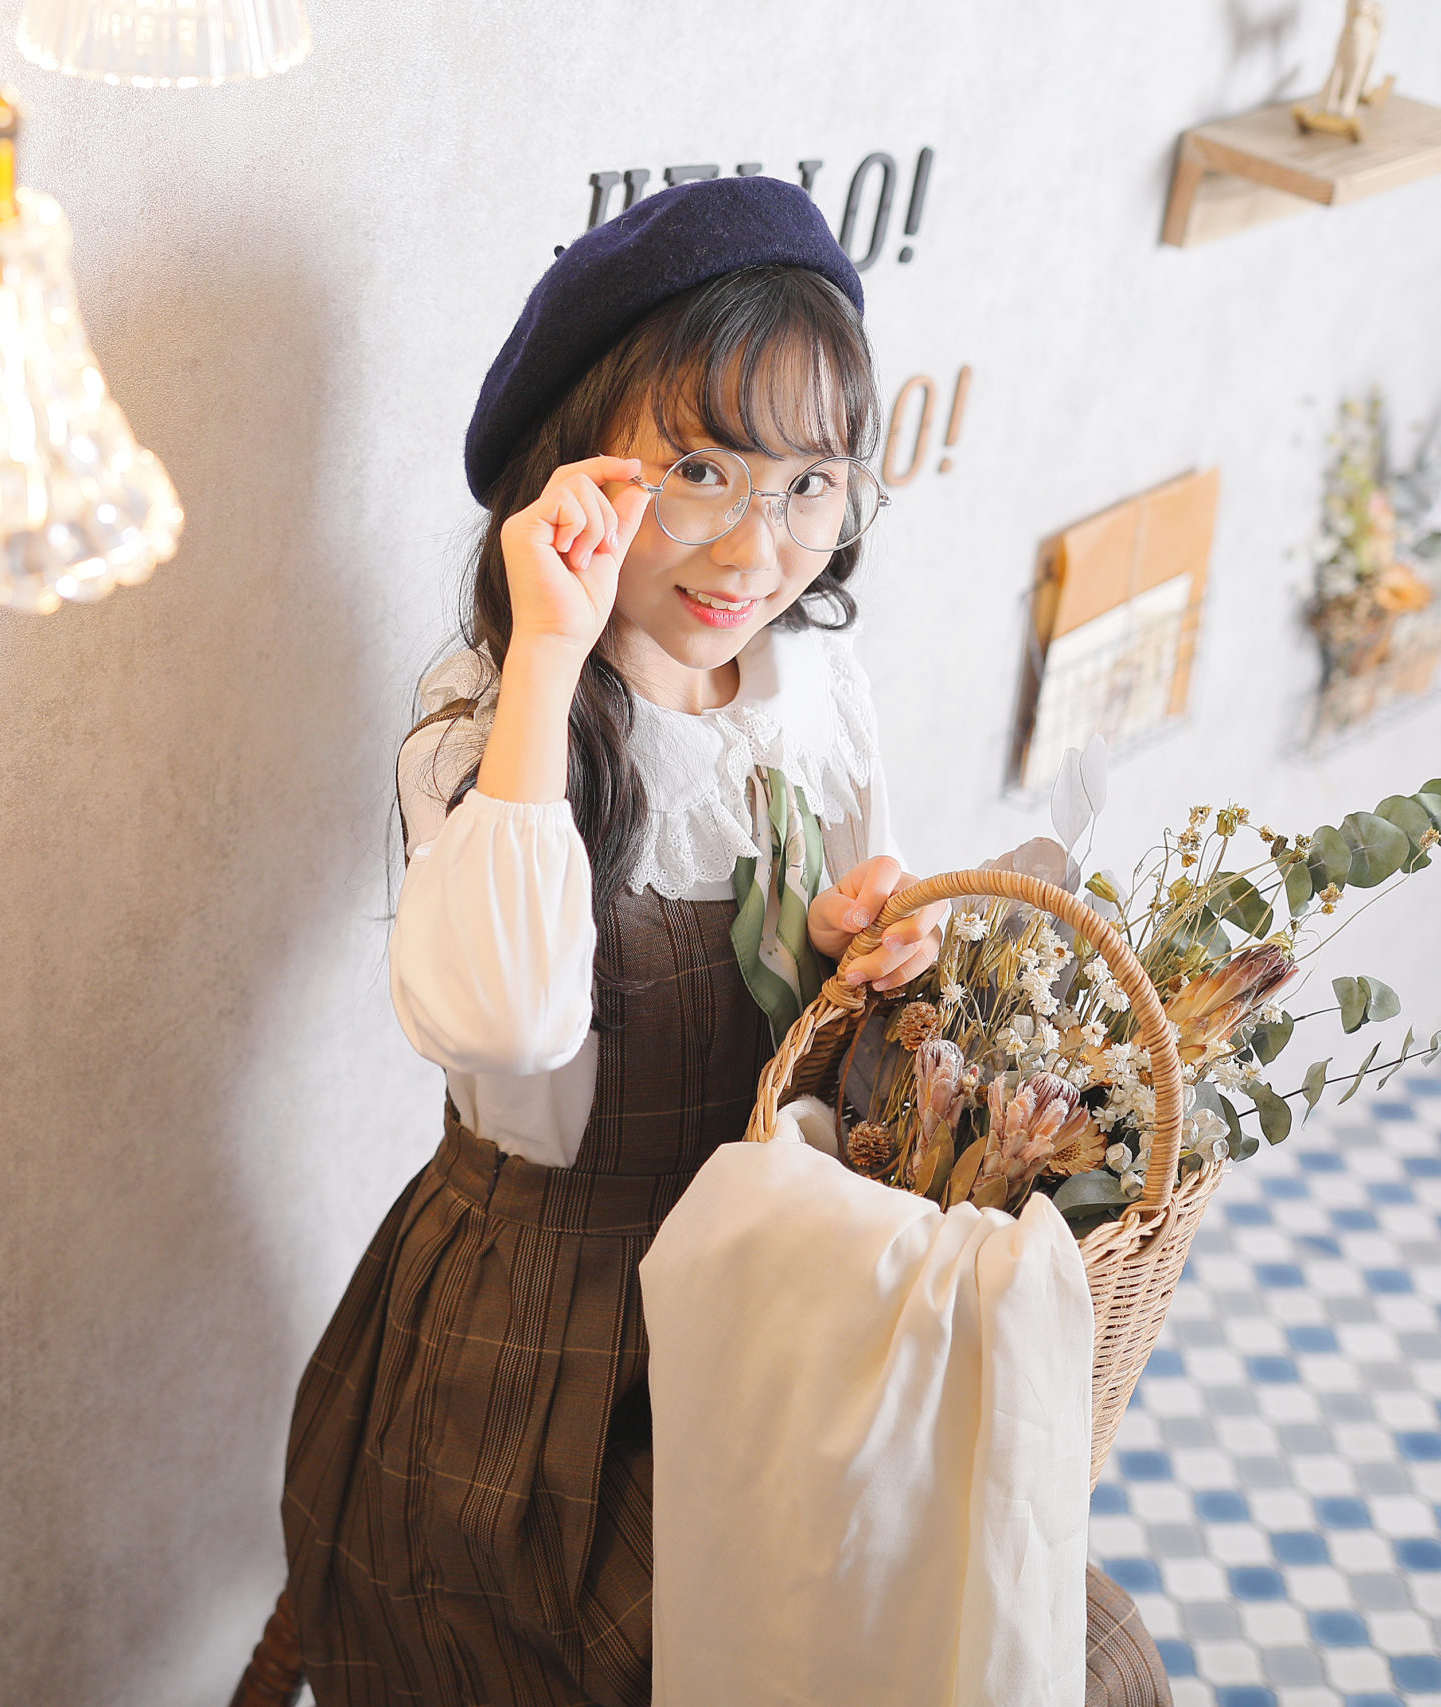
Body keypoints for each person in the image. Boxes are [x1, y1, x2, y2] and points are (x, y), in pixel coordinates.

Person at [250, 177, 1170, 1707]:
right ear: (574, 474)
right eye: (698, 469)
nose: (758, 548)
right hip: (556, 1371)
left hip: (788, 1302)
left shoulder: (814, 691)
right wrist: (551, 655)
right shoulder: (491, 729)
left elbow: (848, 1021)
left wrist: (875, 954)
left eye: (810, 481)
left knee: (1083, 1651)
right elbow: (504, 1027)